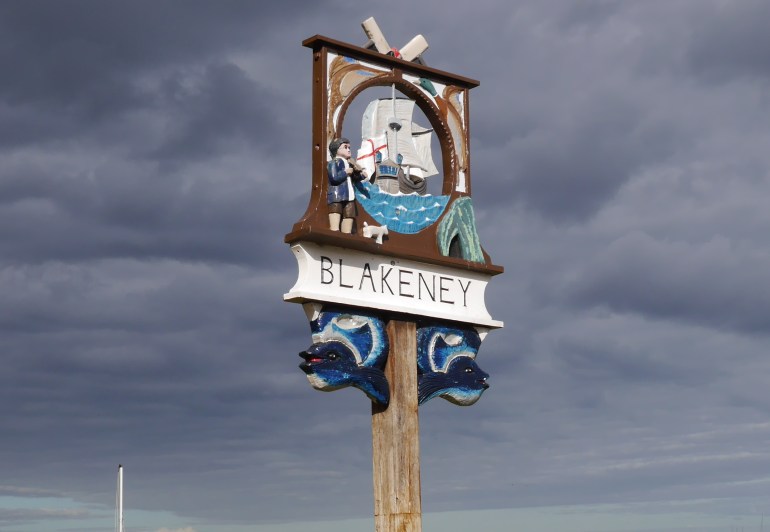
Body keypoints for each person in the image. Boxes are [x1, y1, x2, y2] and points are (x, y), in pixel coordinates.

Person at [327, 137, 367, 233]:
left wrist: (361, 176)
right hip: (337, 193)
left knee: (349, 213)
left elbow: (354, 178)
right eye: (345, 147)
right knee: (336, 209)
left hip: (349, 194)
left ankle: (346, 233)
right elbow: (333, 178)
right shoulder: (334, 162)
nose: (348, 150)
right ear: (336, 150)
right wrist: (345, 172)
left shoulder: (349, 164)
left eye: (349, 147)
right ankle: (335, 229)